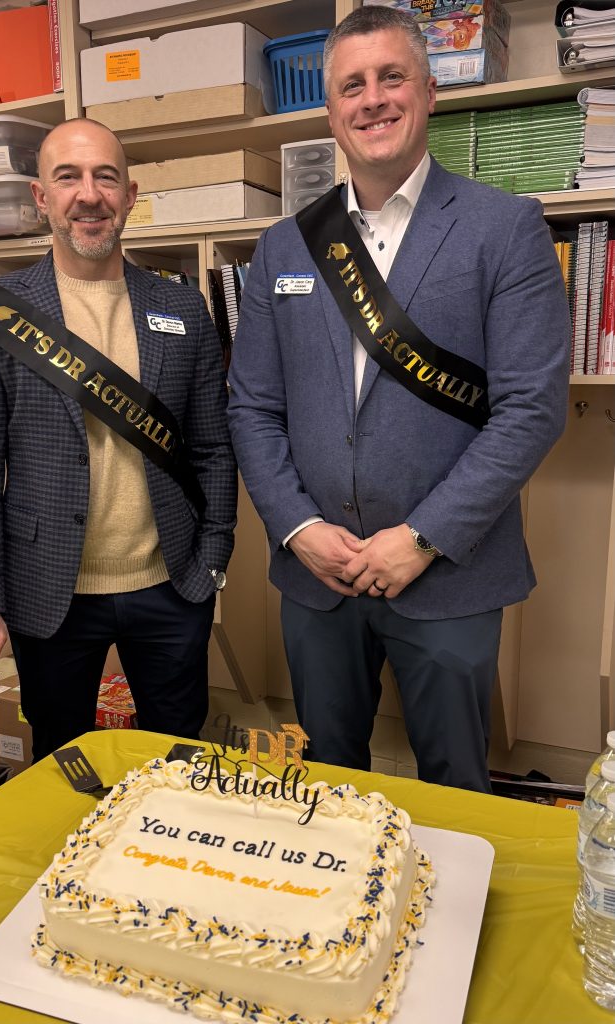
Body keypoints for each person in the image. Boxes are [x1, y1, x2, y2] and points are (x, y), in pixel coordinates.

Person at [227, 6, 571, 791]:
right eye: (352, 85)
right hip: (318, 576)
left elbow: (530, 410)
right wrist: (298, 528)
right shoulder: (283, 245)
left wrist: (420, 539)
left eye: (392, 78)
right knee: (327, 788)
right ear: (331, 111)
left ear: (429, 91)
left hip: (448, 574)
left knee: (455, 788)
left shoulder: (505, 228)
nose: (373, 99)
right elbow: (252, 407)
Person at [0, 118, 237, 761]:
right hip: (48, 592)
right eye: (67, 177)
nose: (89, 194)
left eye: (106, 176)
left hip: (171, 584)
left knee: (177, 758)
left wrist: (213, 558)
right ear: (41, 196)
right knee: (63, 761)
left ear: (129, 195)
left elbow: (213, 448)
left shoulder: (182, 308)